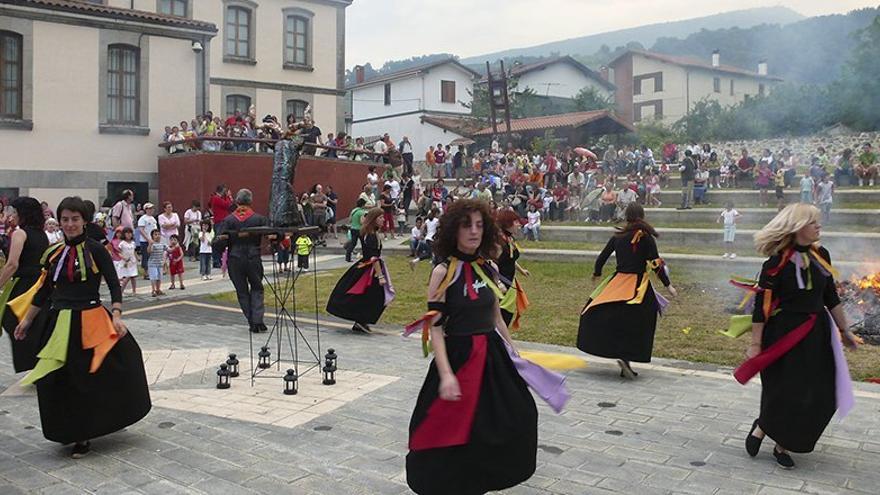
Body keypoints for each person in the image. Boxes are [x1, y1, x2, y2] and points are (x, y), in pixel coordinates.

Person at [405, 199, 538, 495]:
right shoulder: (442, 273)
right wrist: (447, 374)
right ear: (453, 230)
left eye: (479, 225)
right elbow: (436, 328)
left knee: (513, 418)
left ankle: (481, 482)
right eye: (467, 225)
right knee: (450, 431)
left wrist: (514, 353)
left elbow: (496, 319)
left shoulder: (488, 267)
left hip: (491, 358)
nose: (474, 232)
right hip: (458, 357)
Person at [13, 196, 151, 458]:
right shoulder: (53, 254)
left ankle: (97, 426)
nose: (69, 224)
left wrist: (118, 315)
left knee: (117, 364)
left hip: (91, 317)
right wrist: (27, 320)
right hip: (59, 321)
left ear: (84, 221)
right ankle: (73, 431)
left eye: (74, 219)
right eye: (65, 219)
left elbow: (113, 283)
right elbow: (44, 291)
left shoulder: (96, 250)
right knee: (61, 380)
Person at [734, 203, 858, 469]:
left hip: (817, 333)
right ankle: (773, 434)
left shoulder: (822, 255)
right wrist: (755, 344)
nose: (819, 227)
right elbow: (762, 307)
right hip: (783, 333)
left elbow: (830, 296)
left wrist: (844, 330)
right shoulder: (776, 263)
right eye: (813, 222)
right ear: (798, 227)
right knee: (785, 388)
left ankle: (772, 433)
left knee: (820, 391)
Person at [577, 203, 678, 379]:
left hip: (617, 282)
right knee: (640, 323)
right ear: (642, 216)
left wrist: (597, 273)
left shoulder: (618, 236)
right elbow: (655, 263)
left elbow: (602, 258)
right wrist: (668, 285)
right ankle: (627, 357)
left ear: (627, 216)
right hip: (637, 287)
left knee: (605, 314)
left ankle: (622, 357)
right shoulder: (645, 237)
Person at [326, 208, 395, 334]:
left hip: (366, 267)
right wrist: (380, 276)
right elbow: (374, 258)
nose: (383, 220)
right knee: (375, 296)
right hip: (369, 270)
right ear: (374, 220)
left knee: (367, 296)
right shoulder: (371, 235)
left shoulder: (369, 232)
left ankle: (361, 321)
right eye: (380, 218)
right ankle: (361, 320)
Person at [0, 197, 49, 372]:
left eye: (14, 211)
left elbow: (12, 264)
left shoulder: (20, 233)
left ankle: (31, 363)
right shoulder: (42, 235)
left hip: (23, 286)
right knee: (35, 323)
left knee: (11, 320)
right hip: (40, 284)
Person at [213, 189, 269, 333]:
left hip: (235, 258)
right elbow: (271, 235)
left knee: (242, 291)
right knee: (257, 288)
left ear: (237, 201)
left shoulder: (228, 220)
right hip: (253, 257)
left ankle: (252, 321)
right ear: (251, 201)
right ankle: (257, 320)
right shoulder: (259, 219)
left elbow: (218, 243)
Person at [495, 209, 531, 330]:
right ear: (507, 223)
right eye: (516, 221)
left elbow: (510, 259)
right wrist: (498, 283)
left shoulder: (509, 239)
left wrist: (522, 270)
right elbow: (489, 264)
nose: (519, 224)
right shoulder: (499, 242)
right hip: (500, 287)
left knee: (506, 317)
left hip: (510, 284)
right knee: (499, 318)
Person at [208, 185, 234, 268]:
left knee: (224, 240)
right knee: (218, 241)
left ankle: (221, 259)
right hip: (219, 222)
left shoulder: (220, 198)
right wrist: (229, 196)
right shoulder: (216, 198)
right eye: (224, 191)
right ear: (222, 191)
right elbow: (227, 205)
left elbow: (230, 206)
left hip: (223, 221)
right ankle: (216, 260)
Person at [136, 203, 157, 280]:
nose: (151, 210)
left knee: (152, 256)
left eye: (152, 208)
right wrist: (148, 239)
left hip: (153, 240)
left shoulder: (153, 219)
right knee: (146, 256)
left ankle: (152, 271)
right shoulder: (143, 218)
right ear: (146, 210)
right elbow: (141, 230)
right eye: (149, 208)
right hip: (145, 241)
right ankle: (146, 272)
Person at [345, 198, 368, 263]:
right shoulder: (362, 212)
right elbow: (361, 222)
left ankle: (348, 257)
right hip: (360, 230)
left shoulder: (353, 210)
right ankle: (366, 256)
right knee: (363, 243)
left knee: (353, 243)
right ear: (363, 205)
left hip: (353, 229)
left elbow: (349, 220)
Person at [147, 229, 167, 297]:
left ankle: (158, 289)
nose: (157, 236)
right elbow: (149, 251)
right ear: (152, 236)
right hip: (152, 264)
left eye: (158, 234)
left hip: (160, 263)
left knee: (159, 277)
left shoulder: (162, 243)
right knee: (154, 276)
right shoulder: (152, 243)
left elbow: (168, 250)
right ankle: (153, 290)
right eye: (155, 235)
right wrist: (150, 244)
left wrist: (175, 247)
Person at [118, 227, 138, 295]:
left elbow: (134, 252)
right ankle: (120, 291)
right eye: (127, 233)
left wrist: (137, 258)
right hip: (126, 262)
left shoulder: (133, 243)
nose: (129, 235)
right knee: (126, 277)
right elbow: (119, 253)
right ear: (124, 234)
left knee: (133, 277)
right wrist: (124, 258)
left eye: (130, 233)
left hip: (132, 261)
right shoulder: (122, 243)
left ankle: (134, 291)